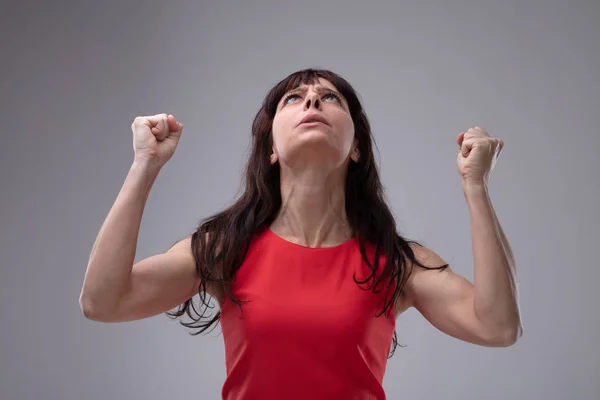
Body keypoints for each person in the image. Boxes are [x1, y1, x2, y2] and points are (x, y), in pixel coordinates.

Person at [79, 68, 523, 399]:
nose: (311, 102)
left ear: (357, 148)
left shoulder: (396, 261)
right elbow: (103, 301)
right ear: (271, 148)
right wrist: (144, 165)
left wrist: (475, 186)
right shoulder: (223, 249)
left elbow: (498, 326)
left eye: (330, 97)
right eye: (293, 98)